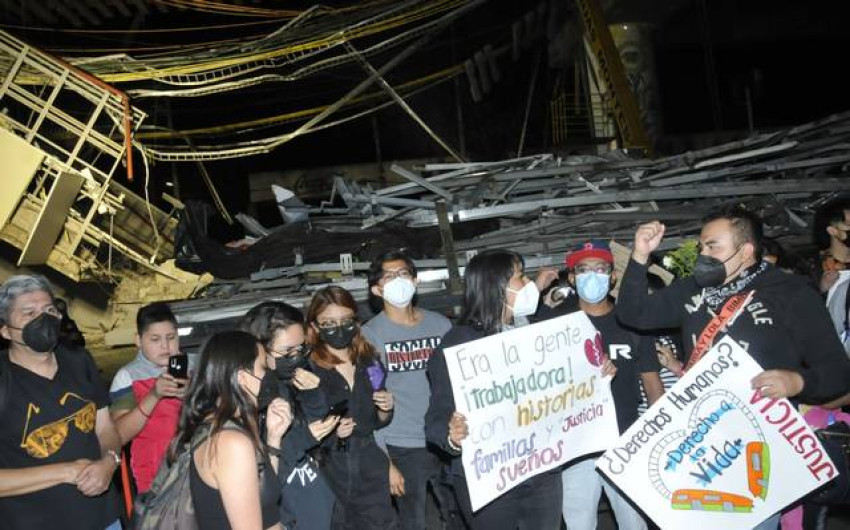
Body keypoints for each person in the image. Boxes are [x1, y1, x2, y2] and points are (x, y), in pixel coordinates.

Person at [617, 207, 850, 530]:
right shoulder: (692, 289)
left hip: (760, 448)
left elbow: (838, 372)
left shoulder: (790, 293)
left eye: (714, 247)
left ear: (746, 250)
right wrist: (640, 255)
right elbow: (633, 313)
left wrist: (798, 381)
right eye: (702, 247)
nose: (704, 255)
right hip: (701, 444)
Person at [425, 249, 598, 529]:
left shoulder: (538, 333)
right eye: (520, 277)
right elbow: (437, 413)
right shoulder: (459, 344)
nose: (529, 283)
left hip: (541, 471)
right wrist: (452, 437)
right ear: (496, 286)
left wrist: (595, 372)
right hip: (489, 477)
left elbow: (566, 384)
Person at [548, 240, 661, 530]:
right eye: (583, 270)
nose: (592, 276)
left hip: (625, 441)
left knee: (634, 523)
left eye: (600, 269)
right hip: (575, 447)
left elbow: (652, 383)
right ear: (571, 278)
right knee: (579, 524)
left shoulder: (633, 322)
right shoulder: (555, 326)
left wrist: (659, 434)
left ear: (613, 276)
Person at [0, 275, 122, 529]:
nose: (43, 319)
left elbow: (105, 428)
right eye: (29, 313)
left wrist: (109, 462)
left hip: (104, 519)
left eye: (49, 310)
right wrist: (67, 472)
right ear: (5, 330)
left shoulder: (79, 360)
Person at [362, 249, 453, 530]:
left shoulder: (441, 325)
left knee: (459, 516)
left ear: (415, 281)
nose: (398, 280)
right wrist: (385, 461)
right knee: (413, 523)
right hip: (401, 445)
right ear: (377, 289)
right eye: (389, 276)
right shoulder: (369, 335)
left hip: (446, 439)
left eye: (403, 273)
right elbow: (370, 399)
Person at [240, 301, 339, 530]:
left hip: (316, 507)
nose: (297, 357)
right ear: (259, 349)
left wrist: (313, 395)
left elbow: (322, 439)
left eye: (301, 348)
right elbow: (263, 473)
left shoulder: (288, 381)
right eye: (287, 352)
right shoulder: (248, 402)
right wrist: (304, 438)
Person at [176, 329, 289, 530]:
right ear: (243, 377)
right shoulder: (231, 443)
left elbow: (261, 497)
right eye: (263, 368)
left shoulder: (218, 427)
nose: (269, 375)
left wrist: (273, 439)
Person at [307, 286, 397, 530]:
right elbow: (299, 424)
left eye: (346, 320)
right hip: (329, 467)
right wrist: (331, 434)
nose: (339, 328)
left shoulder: (370, 361)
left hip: (368, 461)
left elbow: (378, 421)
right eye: (329, 323)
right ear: (315, 326)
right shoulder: (308, 369)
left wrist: (386, 409)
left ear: (356, 321)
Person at [109, 302, 190, 493]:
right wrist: (154, 395)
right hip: (156, 480)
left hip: (199, 468)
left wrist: (194, 393)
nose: (165, 346)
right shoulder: (128, 376)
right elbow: (118, 435)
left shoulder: (196, 367)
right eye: (155, 339)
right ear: (138, 340)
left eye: (171, 337)